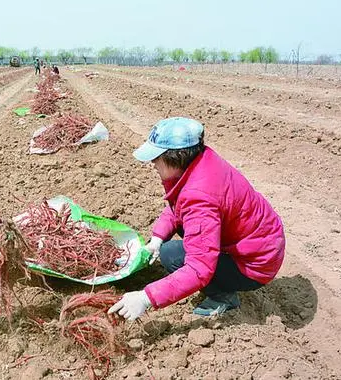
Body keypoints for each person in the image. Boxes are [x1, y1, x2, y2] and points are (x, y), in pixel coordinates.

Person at [109, 117, 285, 320]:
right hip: (261, 245)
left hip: (255, 264)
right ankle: (223, 276)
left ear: (175, 158)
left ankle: (223, 297)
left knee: (172, 256)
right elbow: (179, 205)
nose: (152, 163)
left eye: (156, 157)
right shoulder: (201, 161)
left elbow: (200, 267)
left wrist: (146, 298)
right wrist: (156, 239)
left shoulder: (200, 197)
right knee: (168, 246)